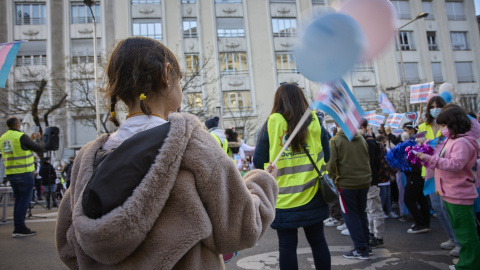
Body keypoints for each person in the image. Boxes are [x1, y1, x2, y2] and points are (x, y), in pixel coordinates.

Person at [55, 37, 279, 269]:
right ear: (166, 73)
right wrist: (263, 181)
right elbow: (241, 228)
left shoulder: (87, 160)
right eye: (179, 80)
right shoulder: (192, 143)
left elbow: (68, 248)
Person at [254, 83, 331, 269]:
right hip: (313, 192)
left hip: (283, 197)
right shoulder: (314, 121)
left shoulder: (272, 123)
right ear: (302, 99)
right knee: (318, 241)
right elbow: (326, 156)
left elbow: (258, 160)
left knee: (287, 246)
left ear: (278, 100)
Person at [417, 104, 480, 270]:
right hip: (450, 192)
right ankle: (466, 262)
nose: (442, 129)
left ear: (454, 124)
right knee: (460, 231)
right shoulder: (451, 140)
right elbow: (439, 156)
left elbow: (456, 164)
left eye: (444, 125)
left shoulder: (462, 142)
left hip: (459, 193)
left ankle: (469, 265)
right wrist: (425, 151)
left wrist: (430, 159)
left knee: (467, 235)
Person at [419, 96, 460, 255]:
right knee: (438, 207)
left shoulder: (452, 127)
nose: (435, 109)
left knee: (447, 207)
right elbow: (419, 146)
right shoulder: (423, 126)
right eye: (432, 106)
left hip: (445, 171)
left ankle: (458, 241)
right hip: (429, 172)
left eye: (438, 106)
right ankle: (451, 238)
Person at [327, 122, 372, 260]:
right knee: (361, 213)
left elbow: (331, 165)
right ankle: (366, 245)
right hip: (364, 181)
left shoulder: (335, 140)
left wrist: (333, 180)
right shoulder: (361, 139)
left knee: (350, 215)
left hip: (346, 183)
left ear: (336, 123)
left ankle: (360, 248)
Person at [0, 116, 44, 238]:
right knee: (24, 200)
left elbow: (18, 149)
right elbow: (39, 148)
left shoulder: (3, 137)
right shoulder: (20, 136)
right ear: (17, 124)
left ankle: (18, 226)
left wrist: (29, 140)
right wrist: (38, 139)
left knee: (18, 200)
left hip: (11, 173)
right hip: (23, 173)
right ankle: (19, 228)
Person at [400, 123, 431, 234]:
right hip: (416, 173)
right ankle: (424, 223)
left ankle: (421, 223)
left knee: (409, 199)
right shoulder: (415, 142)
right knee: (421, 199)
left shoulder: (419, 142)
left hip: (416, 173)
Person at [359, 120, 386, 249]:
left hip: (370, 180)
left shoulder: (369, 143)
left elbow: (369, 164)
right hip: (366, 180)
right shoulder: (365, 141)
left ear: (364, 128)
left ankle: (378, 236)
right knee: (369, 209)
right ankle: (371, 233)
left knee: (375, 208)